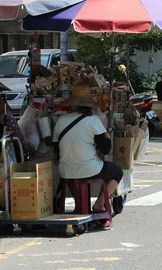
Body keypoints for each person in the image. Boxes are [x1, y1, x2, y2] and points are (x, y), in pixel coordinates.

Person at [53, 82, 123, 215]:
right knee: (117, 171)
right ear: (89, 105)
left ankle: (79, 206)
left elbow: (57, 149)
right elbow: (105, 150)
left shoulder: (61, 120)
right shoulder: (93, 120)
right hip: (90, 169)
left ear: (73, 105)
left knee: (72, 175)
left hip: (66, 171)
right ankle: (99, 203)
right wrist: (107, 136)